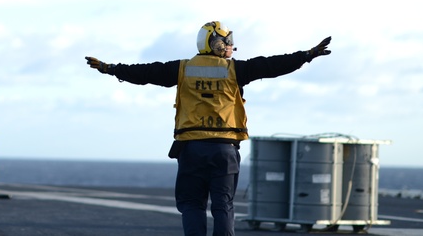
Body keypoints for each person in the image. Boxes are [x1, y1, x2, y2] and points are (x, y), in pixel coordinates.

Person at [85, 22, 331, 236]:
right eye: (227, 41)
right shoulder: (235, 70)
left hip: (191, 148)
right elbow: (272, 65)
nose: (231, 46)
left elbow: (145, 72)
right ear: (216, 44)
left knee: (192, 204)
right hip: (224, 150)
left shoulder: (181, 69)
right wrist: (306, 54)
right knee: (223, 205)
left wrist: (111, 68)